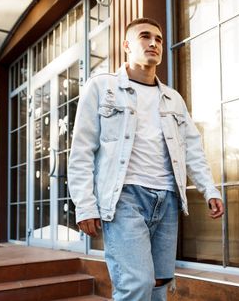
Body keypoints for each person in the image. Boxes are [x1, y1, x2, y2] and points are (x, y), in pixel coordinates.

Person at [67, 17, 224, 301]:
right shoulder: (102, 87)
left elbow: (192, 147)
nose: (154, 43)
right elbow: (81, 150)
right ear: (126, 45)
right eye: (145, 36)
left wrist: (208, 188)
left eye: (159, 39)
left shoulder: (173, 99)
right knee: (136, 285)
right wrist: (85, 205)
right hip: (124, 198)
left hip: (167, 199)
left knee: (159, 285)